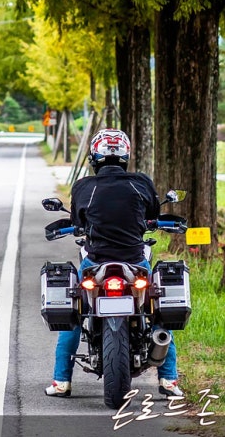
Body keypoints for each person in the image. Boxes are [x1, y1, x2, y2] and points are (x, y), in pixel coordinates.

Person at [45, 128, 184, 400]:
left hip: (95, 260)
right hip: (135, 258)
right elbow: (152, 215)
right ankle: (168, 380)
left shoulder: (84, 186)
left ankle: (62, 381)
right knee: (156, 311)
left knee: (76, 313)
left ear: (94, 157)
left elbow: (78, 221)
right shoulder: (141, 183)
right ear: (126, 156)